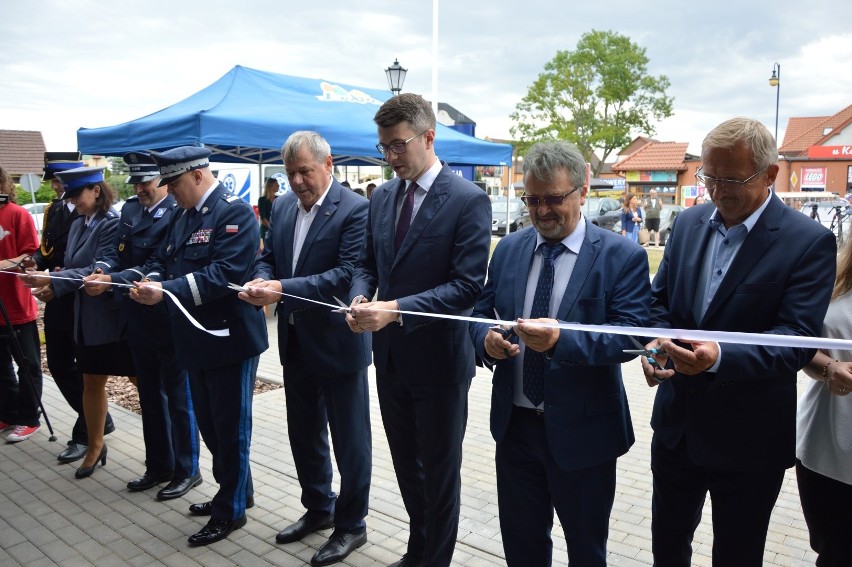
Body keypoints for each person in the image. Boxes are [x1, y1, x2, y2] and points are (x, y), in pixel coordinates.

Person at [641, 117, 837, 566]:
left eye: (733, 179)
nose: (717, 190)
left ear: (770, 175)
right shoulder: (688, 224)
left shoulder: (808, 243)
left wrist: (718, 358)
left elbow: (797, 340)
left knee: (737, 555)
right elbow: (660, 304)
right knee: (667, 550)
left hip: (750, 442)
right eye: (710, 177)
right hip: (677, 430)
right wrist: (654, 347)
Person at [469, 141, 649, 566]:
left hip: (583, 436)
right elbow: (478, 314)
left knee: (586, 552)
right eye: (532, 200)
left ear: (582, 190)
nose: (541, 210)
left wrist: (559, 342)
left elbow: (632, 335)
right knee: (523, 548)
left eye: (553, 199)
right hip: (515, 430)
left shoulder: (621, 255)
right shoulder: (510, 249)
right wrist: (486, 342)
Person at [346, 93, 492, 567]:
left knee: (439, 474)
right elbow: (367, 264)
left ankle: (436, 560)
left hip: (440, 363)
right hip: (389, 360)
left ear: (429, 137)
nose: (390, 157)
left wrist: (397, 309)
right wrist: (362, 295)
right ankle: (417, 552)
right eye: (383, 148)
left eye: (398, 146)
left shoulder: (469, 200)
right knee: (408, 468)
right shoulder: (383, 196)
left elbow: (468, 286)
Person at [238, 131, 372, 566]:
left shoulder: (355, 210)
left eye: (305, 172)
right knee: (304, 432)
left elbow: (345, 273)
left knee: (350, 440)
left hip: (338, 343)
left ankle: (352, 525)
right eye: (291, 173)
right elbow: (268, 257)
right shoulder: (280, 207)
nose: (296, 182)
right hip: (295, 341)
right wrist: (261, 278)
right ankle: (319, 507)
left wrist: (279, 288)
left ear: (328, 164)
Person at [131, 146, 268, 546]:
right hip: (193, 338)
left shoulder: (235, 213)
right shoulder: (182, 214)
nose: (170, 192)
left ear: (196, 175)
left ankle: (231, 512)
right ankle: (237, 490)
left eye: (173, 183)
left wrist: (166, 291)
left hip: (228, 339)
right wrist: (152, 279)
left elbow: (225, 275)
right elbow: (163, 258)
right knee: (210, 426)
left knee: (231, 429)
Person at [82, 151, 201, 501]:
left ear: (162, 183)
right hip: (136, 316)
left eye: (146, 182)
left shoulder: (176, 213)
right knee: (149, 395)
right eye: (135, 182)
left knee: (178, 399)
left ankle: (187, 470)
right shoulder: (132, 210)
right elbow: (117, 249)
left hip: (165, 317)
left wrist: (113, 279)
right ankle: (158, 465)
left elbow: (155, 261)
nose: (141, 189)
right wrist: (104, 268)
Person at [23, 166, 135, 479]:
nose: (72, 201)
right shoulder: (79, 223)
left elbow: (94, 268)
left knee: (141, 382)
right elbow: (71, 266)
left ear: (96, 191)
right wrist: (51, 286)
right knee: (91, 381)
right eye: (69, 195)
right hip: (83, 318)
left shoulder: (111, 224)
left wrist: (53, 279)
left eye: (77, 195)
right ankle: (94, 445)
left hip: (108, 320)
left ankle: (166, 450)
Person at [796, 235, 852, 566]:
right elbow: (800, 348)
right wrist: (830, 369)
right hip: (826, 448)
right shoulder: (831, 278)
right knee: (834, 553)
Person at [0, 166, 43, 443]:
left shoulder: (17, 214)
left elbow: (32, 252)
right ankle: (9, 413)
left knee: (27, 365)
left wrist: (7, 263)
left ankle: (29, 418)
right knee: (0, 368)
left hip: (15, 304)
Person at [258, 177, 278, 244]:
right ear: (271, 186)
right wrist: (273, 229)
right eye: (276, 184)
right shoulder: (262, 200)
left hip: (277, 230)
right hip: (266, 230)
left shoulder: (279, 199)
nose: (278, 186)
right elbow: (263, 218)